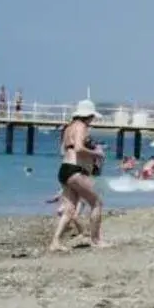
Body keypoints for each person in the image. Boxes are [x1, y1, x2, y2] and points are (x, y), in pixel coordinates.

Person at [48, 101, 104, 251]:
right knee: (96, 203)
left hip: (64, 168)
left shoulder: (69, 127)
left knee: (69, 209)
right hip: (75, 169)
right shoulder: (81, 126)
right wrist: (97, 153)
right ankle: (96, 240)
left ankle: (55, 242)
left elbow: (65, 149)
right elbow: (79, 148)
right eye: (92, 117)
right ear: (88, 115)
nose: (93, 120)